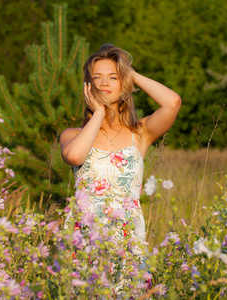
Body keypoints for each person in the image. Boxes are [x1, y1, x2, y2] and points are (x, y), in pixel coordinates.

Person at [60, 43, 181, 257]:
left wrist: (130, 75)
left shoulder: (140, 133)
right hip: (84, 241)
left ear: (123, 84)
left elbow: (172, 102)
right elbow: (74, 156)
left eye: (113, 77)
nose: (104, 82)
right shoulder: (72, 135)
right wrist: (98, 113)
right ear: (88, 85)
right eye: (97, 77)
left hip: (127, 241)